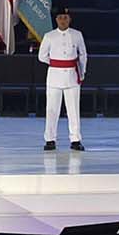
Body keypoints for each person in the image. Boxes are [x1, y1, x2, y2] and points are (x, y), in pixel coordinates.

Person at [37, 8, 87, 151]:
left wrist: (81, 72)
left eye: (65, 17)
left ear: (69, 19)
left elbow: (83, 54)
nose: (63, 20)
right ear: (56, 19)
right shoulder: (49, 36)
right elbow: (42, 56)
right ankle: (50, 139)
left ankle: (75, 139)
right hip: (54, 77)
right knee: (52, 110)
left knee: (73, 110)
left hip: (72, 76)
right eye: (60, 17)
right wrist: (56, 64)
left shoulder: (77, 35)